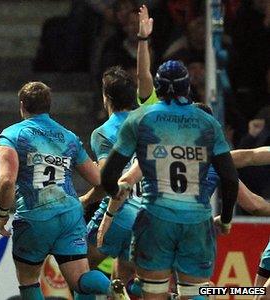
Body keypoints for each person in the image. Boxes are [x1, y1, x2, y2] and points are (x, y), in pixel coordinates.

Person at [99, 6, 239, 300]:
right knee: (193, 293)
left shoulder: (142, 118)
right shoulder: (207, 122)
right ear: (188, 87)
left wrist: (116, 192)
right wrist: (225, 219)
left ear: (159, 89)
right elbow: (229, 177)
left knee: (153, 293)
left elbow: (109, 174)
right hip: (197, 220)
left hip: (155, 219)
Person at [0, 81, 124, 299]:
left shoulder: (12, 135)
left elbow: (7, 181)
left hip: (35, 216)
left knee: (28, 280)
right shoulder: (69, 137)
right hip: (70, 216)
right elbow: (99, 180)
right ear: (49, 106)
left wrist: (2, 215)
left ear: (22, 105)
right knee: (81, 279)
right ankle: (111, 288)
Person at [77, 65, 137, 299]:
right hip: (147, 211)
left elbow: (106, 181)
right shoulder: (145, 123)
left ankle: (109, 289)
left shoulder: (104, 132)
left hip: (119, 209)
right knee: (122, 275)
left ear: (106, 97)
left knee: (81, 267)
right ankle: (117, 289)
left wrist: (84, 199)